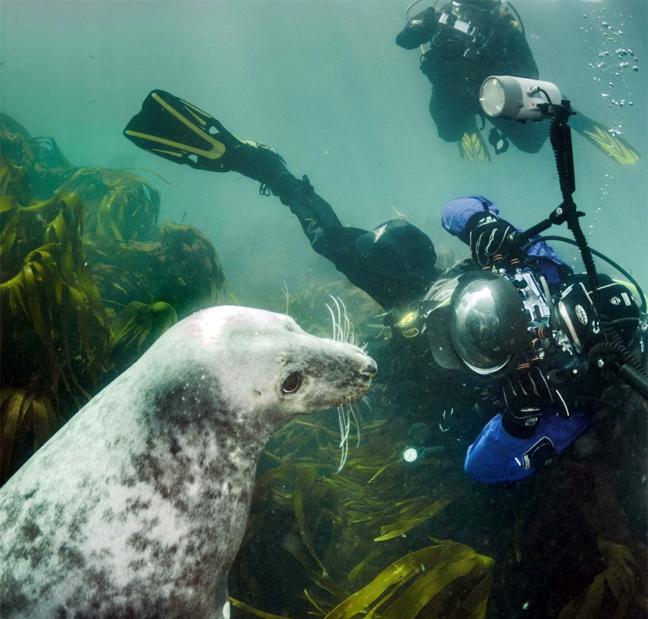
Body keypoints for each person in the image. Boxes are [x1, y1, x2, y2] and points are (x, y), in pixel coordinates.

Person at [123, 90, 642, 484]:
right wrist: (483, 225)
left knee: (385, 392)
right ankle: (269, 170)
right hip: (439, 297)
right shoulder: (545, 267)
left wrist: (520, 423)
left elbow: (484, 468)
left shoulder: (570, 399)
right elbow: (458, 207)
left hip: (444, 389)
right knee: (360, 244)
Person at [396, 0, 546, 159]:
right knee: (448, 134)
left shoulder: (503, 27)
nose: (467, 16)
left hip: (492, 95)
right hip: (451, 91)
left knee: (531, 143)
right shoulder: (442, 15)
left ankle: (551, 112)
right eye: (462, 8)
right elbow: (402, 40)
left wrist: (495, 67)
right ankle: (468, 122)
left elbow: (531, 72)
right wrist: (422, 30)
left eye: (475, 11)